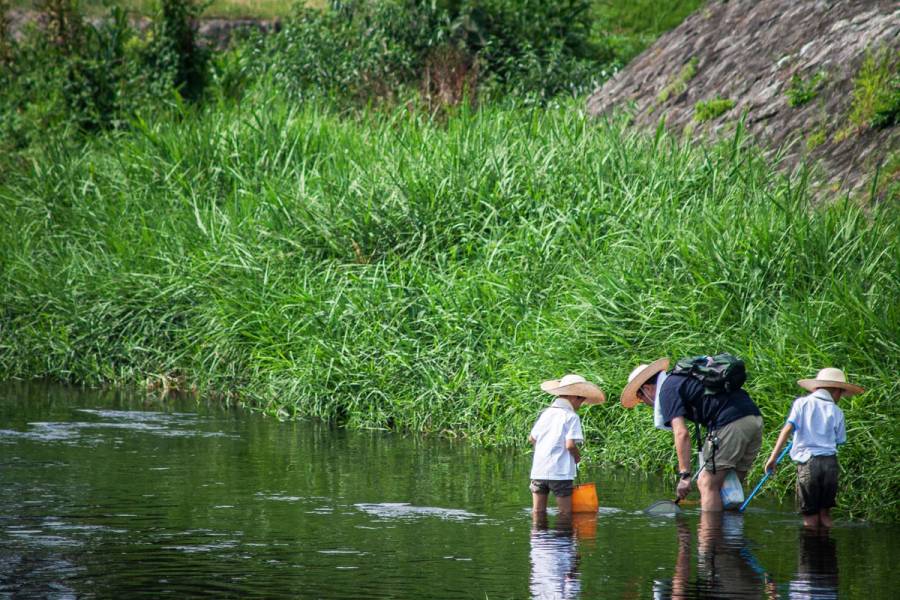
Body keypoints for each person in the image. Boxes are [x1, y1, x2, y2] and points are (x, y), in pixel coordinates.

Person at [621, 358, 763, 511]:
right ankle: (729, 532)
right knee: (729, 488)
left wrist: (685, 476)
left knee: (707, 484)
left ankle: (710, 534)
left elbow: (681, 433)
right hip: (754, 418)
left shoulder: (666, 390)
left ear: (647, 388)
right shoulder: (683, 378)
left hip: (730, 423)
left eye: (641, 397)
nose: (644, 402)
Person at [763, 367, 863, 529]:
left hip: (809, 463)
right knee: (825, 513)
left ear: (816, 388)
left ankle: (811, 552)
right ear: (837, 391)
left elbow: (788, 429)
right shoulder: (837, 411)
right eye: (841, 394)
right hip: (830, 463)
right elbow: (840, 439)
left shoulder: (802, 403)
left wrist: (773, 458)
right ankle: (827, 549)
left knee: (810, 515)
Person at [529, 374, 605, 516]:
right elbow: (570, 445)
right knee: (565, 513)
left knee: (538, 511)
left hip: (539, 470)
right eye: (581, 400)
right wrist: (577, 456)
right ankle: (562, 538)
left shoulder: (546, 413)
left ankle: (539, 538)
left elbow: (532, 438)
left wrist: (544, 450)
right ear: (574, 396)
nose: (581, 404)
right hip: (560, 473)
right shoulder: (571, 417)